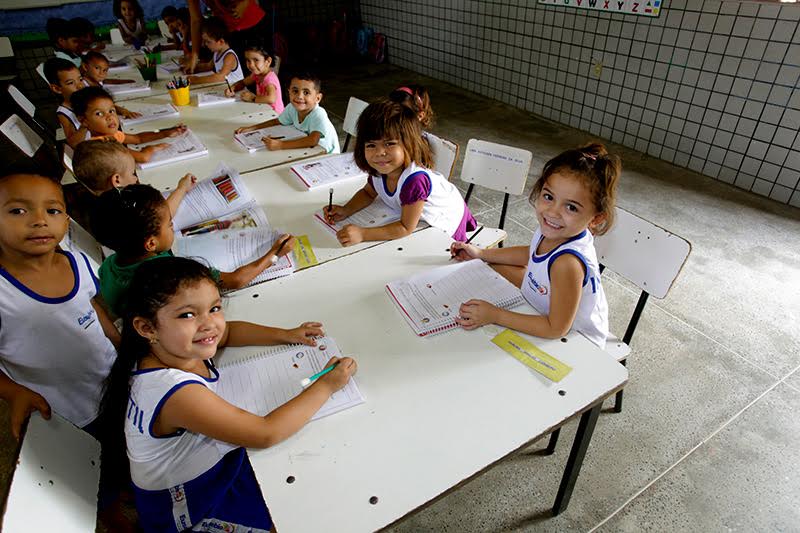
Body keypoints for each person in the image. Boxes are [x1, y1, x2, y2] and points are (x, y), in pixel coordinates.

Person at [99, 256, 355, 532]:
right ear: (147, 328)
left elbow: (229, 332)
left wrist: (285, 334)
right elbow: (265, 433)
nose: (209, 324)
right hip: (187, 500)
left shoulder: (170, 348)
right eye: (187, 314)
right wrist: (327, 385)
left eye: (215, 308)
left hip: (206, 467)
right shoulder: (175, 393)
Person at [450, 143, 621, 348]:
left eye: (571, 207)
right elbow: (530, 253)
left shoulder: (568, 263)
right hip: (545, 308)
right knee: (484, 267)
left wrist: (495, 315)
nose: (553, 212)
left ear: (595, 219)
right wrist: (481, 253)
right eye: (549, 197)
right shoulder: (554, 231)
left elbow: (555, 329)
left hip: (576, 344)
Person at [0, 171, 119, 438]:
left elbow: (89, 308)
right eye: (18, 210)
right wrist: (12, 392)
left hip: (113, 378)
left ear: (66, 220)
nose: (40, 220)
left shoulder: (78, 262)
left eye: (52, 210)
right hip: (68, 410)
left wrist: (120, 343)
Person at [91, 184, 296, 317]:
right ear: (151, 244)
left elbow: (160, 215)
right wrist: (275, 254)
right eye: (170, 224)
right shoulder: (169, 277)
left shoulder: (111, 263)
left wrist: (180, 190)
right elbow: (235, 280)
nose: (173, 226)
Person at [324, 100, 475, 246]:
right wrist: (346, 209)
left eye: (389, 144)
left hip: (446, 217)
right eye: (371, 145)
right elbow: (368, 193)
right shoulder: (381, 168)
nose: (379, 153)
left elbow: (405, 227)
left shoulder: (414, 181)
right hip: (415, 216)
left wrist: (363, 234)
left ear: (408, 145)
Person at [68, 140, 196, 234]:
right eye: (132, 173)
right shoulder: (126, 207)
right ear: (117, 180)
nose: (136, 179)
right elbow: (164, 214)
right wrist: (181, 189)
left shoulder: (97, 203)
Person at [70, 86, 184, 162]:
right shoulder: (101, 145)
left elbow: (137, 138)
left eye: (111, 111)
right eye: (99, 114)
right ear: (84, 120)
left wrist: (165, 133)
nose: (109, 117)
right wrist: (151, 149)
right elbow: (142, 157)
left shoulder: (108, 136)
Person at [234, 72, 339, 153]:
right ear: (289, 92)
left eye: (306, 92)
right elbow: (277, 121)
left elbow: (312, 140)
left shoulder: (318, 114)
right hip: (307, 151)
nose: (299, 96)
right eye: (295, 91)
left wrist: (280, 145)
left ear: (317, 98)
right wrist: (251, 128)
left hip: (326, 155)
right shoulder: (292, 108)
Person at [185, 0, 271, 73]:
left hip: (253, 24)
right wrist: (194, 58)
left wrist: (245, 2)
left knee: (256, 72)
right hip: (228, 30)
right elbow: (196, 20)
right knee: (236, 77)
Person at [224, 43, 284, 113]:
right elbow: (243, 83)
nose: (251, 65)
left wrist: (252, 98)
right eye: (248, 60)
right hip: (264, 110)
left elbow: (271, 99)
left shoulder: (269, 79)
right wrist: (232, 88)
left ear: (268, 61)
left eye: (256, 60)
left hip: (275, 115)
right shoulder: (256, 75)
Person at [186, 17, 245, 85]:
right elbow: (208, 66)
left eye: (208, 42)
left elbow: (221, 77)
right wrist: (193, 68)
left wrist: (196, 80)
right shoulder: (217, 52)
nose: (204, 44)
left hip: (236, 91)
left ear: (221, 41)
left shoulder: (229, 57)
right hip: (225, 88)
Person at [43, 58, 87, 147]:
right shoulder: (63, 113)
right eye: (71, 83)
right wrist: (85, 125)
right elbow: (73, 143)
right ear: (57, 88)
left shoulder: (86, 98)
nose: (80, 86)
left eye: (80, 79)